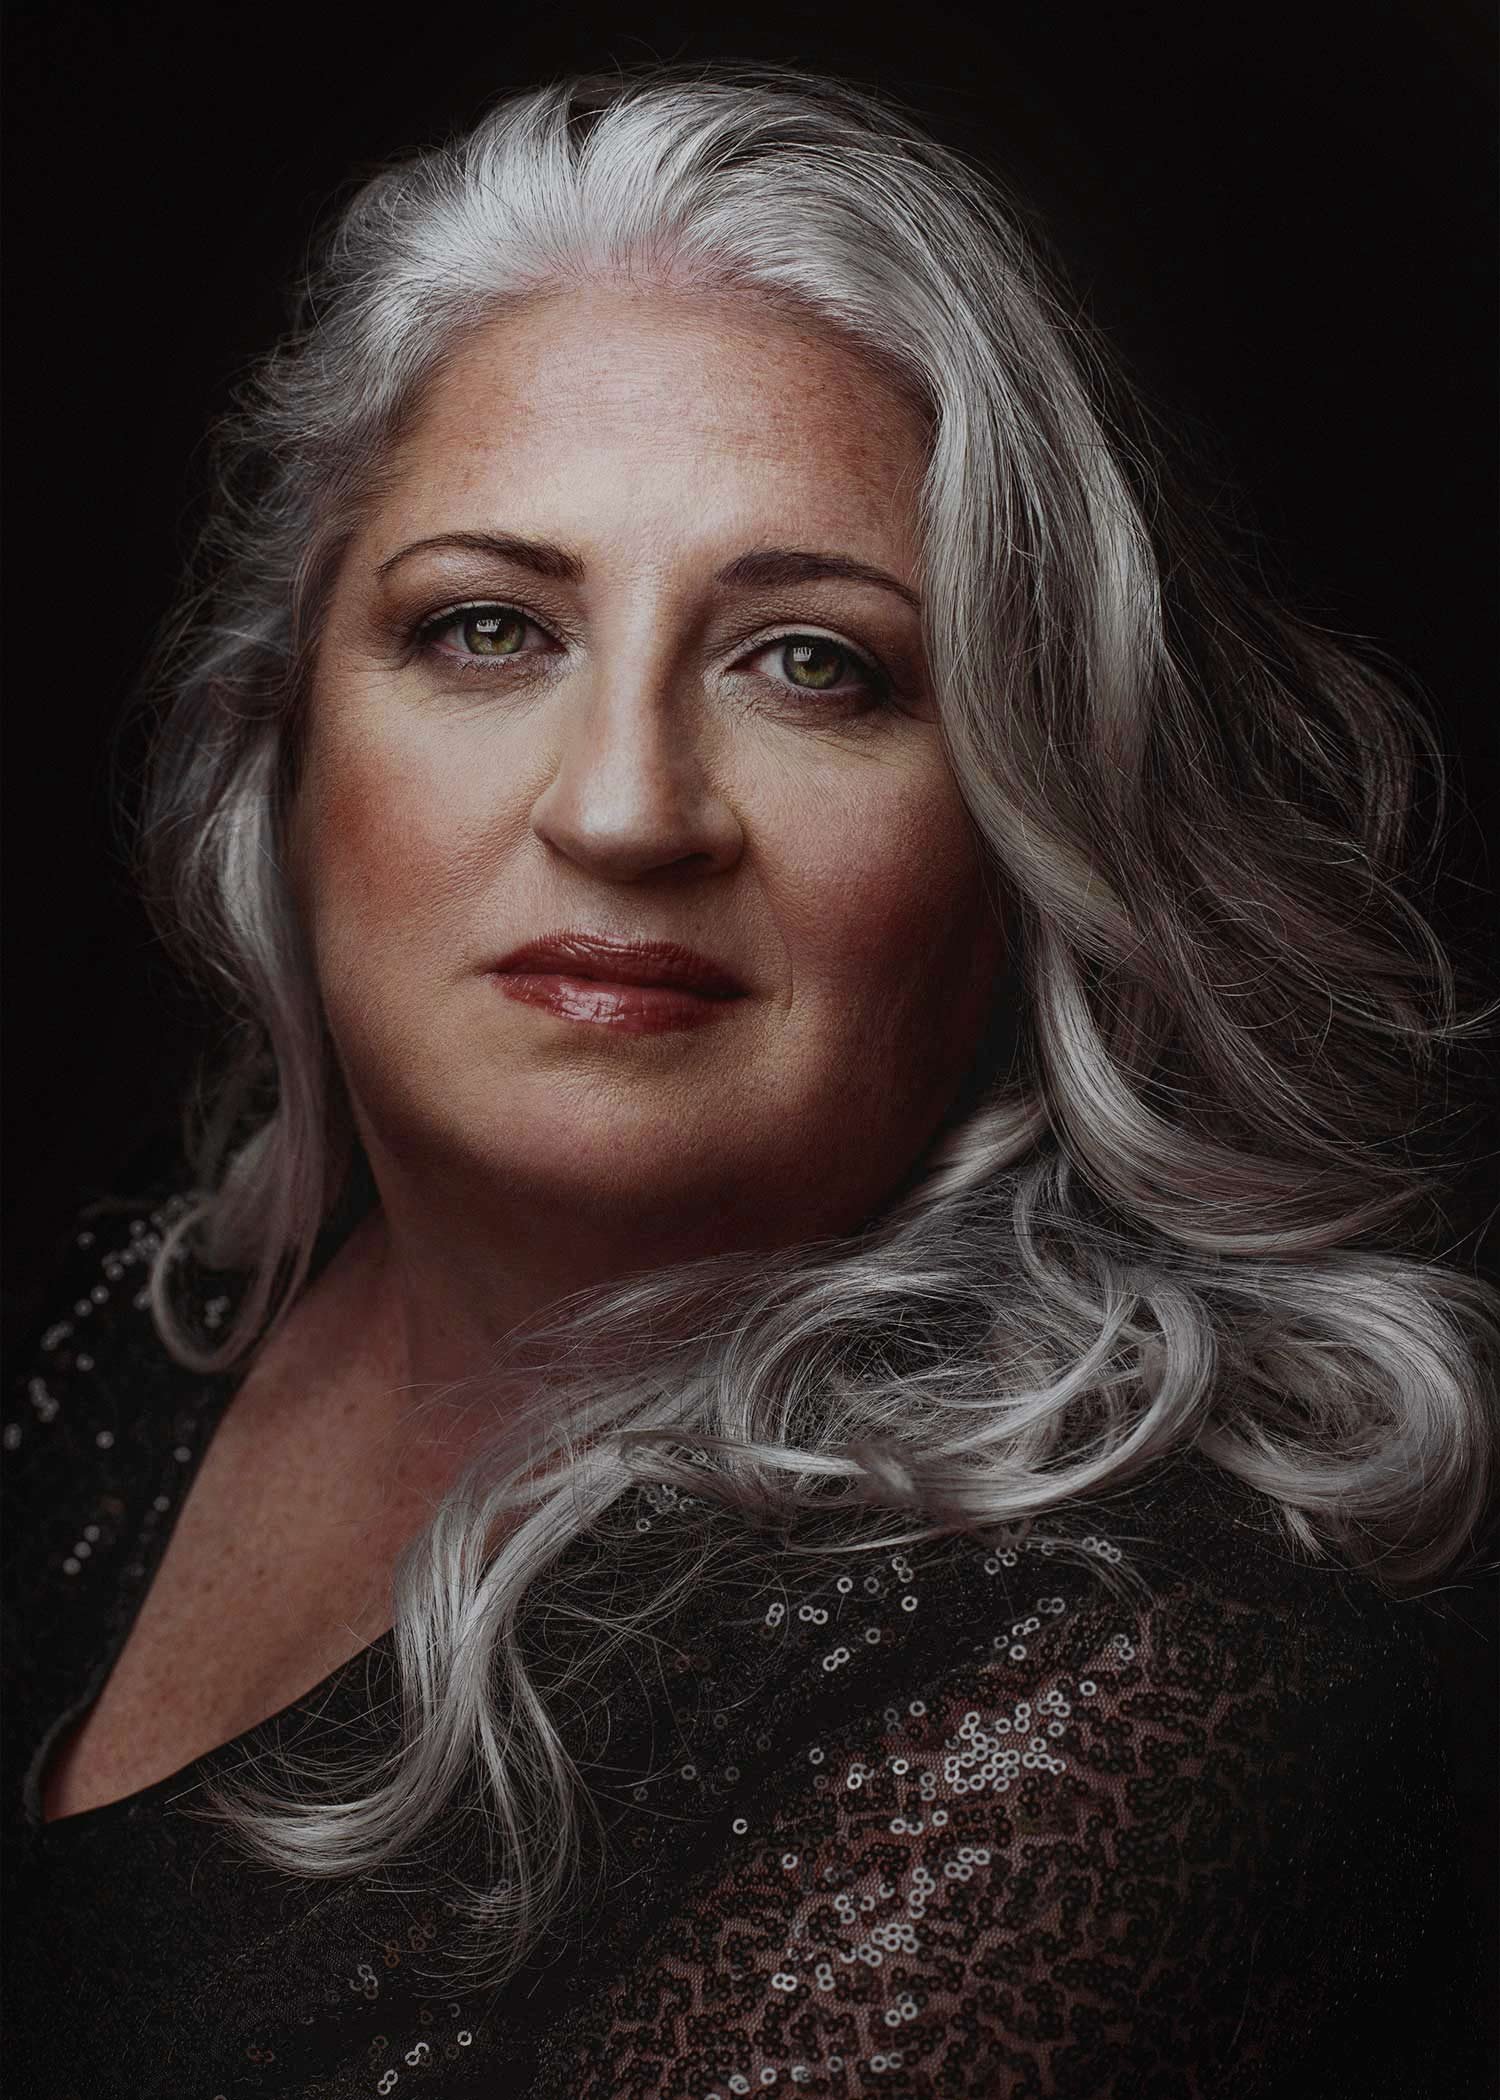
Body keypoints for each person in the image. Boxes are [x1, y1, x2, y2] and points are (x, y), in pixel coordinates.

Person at [2, 58, 1495, 2100]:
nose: (626, 812)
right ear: (283, 738)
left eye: (816, 663)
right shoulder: (135, 1309)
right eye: (486, 629)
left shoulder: (1132, 1653)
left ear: (1021, 826)